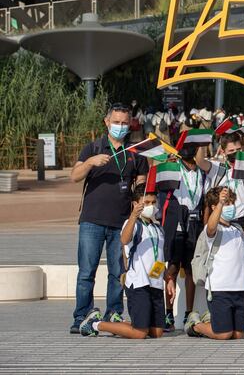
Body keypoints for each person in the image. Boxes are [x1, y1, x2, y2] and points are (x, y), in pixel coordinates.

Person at [69, 102, 148, 334]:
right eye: (116, 122)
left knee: (118, 272)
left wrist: (140, 197)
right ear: (106, 122)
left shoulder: (136, 152)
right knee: (86, 272)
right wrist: (91, 162)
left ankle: (113, 313)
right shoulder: (93, 147)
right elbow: (74, 176)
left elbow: (141, 183)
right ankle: (81, 316)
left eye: (124, 123)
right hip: (92, 220)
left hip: (121, 222)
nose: (120, 127)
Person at [79, 183, 174, 338]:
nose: (151, 206)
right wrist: (133, 216)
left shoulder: (158, 228)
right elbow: (124, 239)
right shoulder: (134, 224)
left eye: (153, 202)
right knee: (139, 333)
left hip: (155, 283)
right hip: (139, 283)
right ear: (136, 204)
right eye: (146, 203)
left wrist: (167, 278)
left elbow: (159, 258)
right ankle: (96, 324)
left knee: (157, 332)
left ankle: (119, 323)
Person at [184, 187, 244, 339]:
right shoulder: (212, 229)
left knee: (239, 334)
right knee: (224, 334)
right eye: (226, 203)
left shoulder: (236, 228)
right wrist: (221, 204)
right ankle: (196, 325)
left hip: (239, 287)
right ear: (215, 207)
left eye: (231, 203)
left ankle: (211, 319)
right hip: (220, 288)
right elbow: (210, 227)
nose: (231, 206)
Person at [162, 134, 205, 331]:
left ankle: (189, 312)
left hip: (195, 224)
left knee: (190, 269)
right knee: (171, 267)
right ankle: (168, 312)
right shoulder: (173, 169)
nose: (192, 159)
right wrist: (166, 162)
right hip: (176, 223)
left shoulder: (201, 173)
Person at [195, 133, 244, 237]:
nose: (235, 153)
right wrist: (203, 143)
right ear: (223, 152)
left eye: (238, 150)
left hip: (241, 222)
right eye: (231, 151)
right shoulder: (217, 168)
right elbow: (200, 161)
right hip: (219, 221)